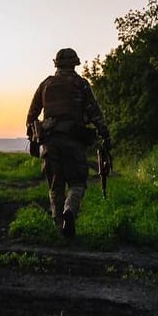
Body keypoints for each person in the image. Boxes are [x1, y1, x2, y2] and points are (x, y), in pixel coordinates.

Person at [26, 47, 111, 237]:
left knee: (55, 186)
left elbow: (32, 114)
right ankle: (70, 211)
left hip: (50, 142)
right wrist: (105, 134)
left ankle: (58, 229)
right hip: (73, 140)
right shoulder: (81, 84)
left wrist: (32, 137)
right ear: (75, 63)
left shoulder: (45, 84)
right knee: (77, 182)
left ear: (56, 63)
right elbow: (94, 112)